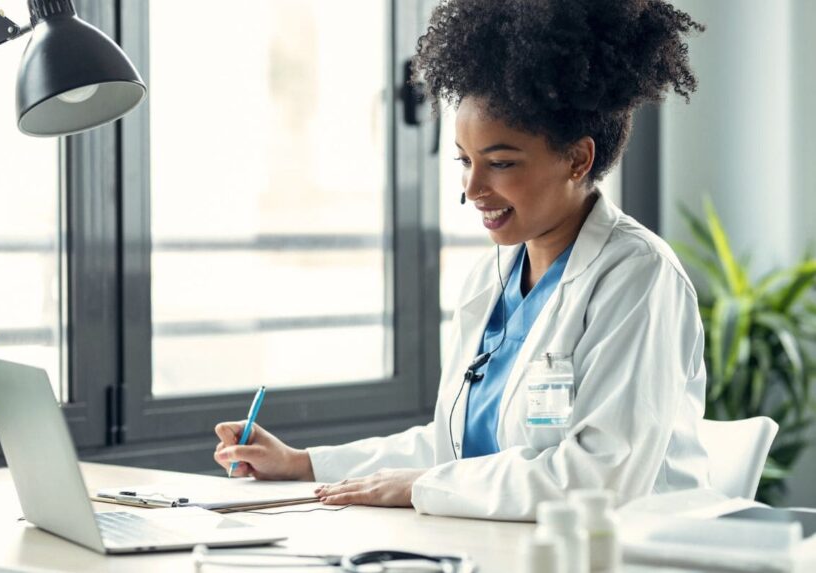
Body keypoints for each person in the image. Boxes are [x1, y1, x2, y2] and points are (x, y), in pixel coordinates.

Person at [214, 0, 709, 521]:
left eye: (499, 163)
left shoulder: (638, 278)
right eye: (464, 161)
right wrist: (304, 463)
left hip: (624, 554)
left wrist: (422, 486)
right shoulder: (492, 277)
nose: (472, 189)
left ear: (577, 158)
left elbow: (599, 478)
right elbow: (455, 449)